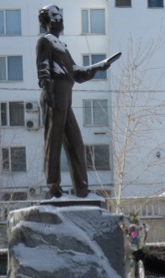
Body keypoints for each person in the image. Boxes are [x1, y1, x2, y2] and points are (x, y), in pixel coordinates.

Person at [36, 5, 116, 198]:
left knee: (76, 142)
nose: (59, 18)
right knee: (53, 142)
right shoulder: (45, 41)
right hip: (54, 91)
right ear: (45, 20)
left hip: (66, 92)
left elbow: (76, 73)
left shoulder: (62, 46)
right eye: (54, 15)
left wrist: (98, 67)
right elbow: (43, 67)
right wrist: (48, 91)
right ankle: (53, 187)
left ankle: (82, 189)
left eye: (60, 15)